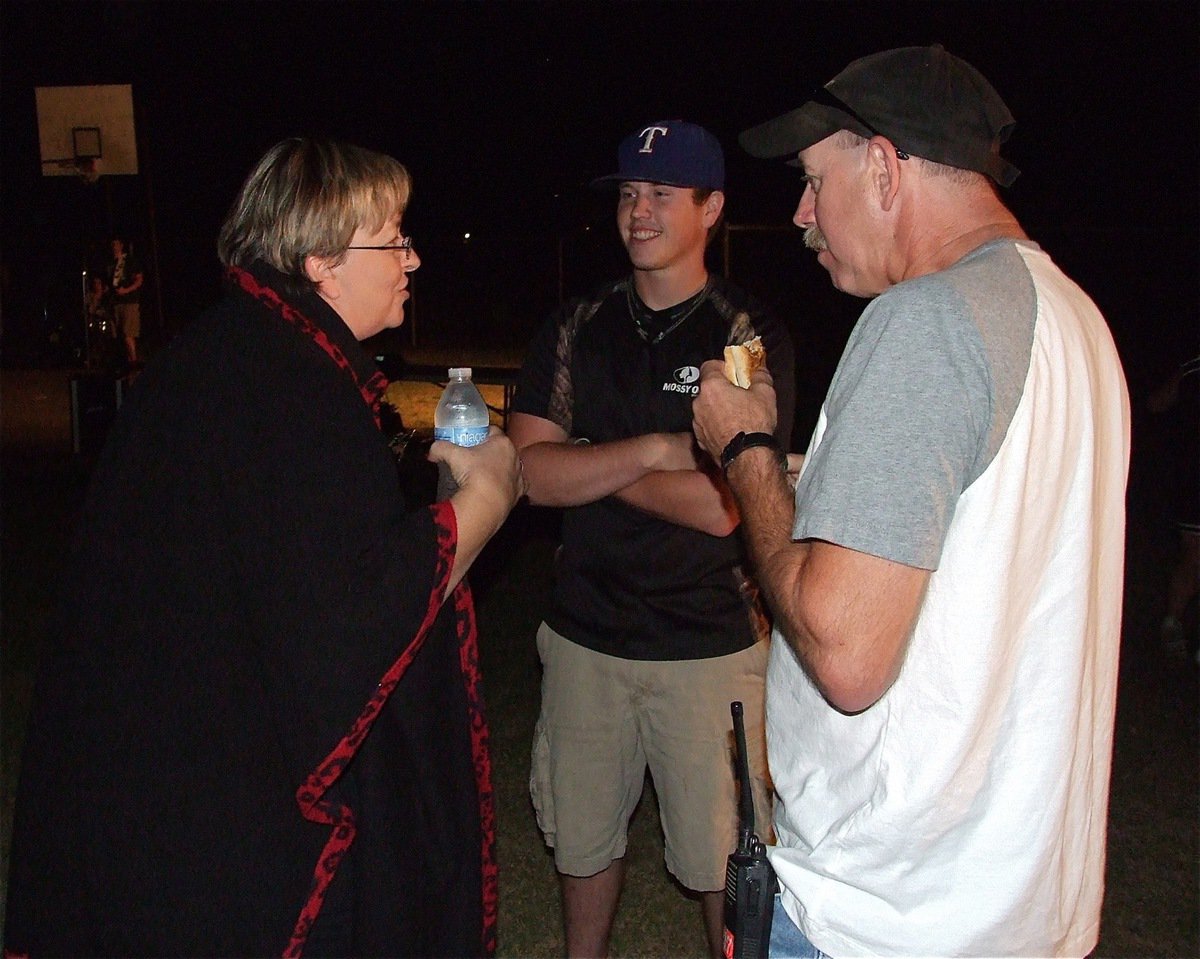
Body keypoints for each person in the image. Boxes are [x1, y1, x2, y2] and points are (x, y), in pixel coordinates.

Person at [4, 138, 525, 957]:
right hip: (221, 799)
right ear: (321, 260)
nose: (414, 258)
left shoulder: (234, 353)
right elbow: (345, 618)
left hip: (164, 769)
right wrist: (485, 503)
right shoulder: (289, 385)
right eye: (394, 239)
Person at [691, 46, 1130, 958]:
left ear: (884, 167)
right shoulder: (1075, 320)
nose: (803, 214)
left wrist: (747, 450)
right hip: (1019, 905)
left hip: (881, 914)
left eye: (815, 180)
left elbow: (847, 653)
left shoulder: (924, 321)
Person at [508, 119, 796, 958]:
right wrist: (656, 450)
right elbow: (529, 475)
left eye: (662, 194)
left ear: (711, 207)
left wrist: (584, 459)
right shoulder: (577, 323)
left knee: (722, 863)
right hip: (583, 635)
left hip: (706, 646)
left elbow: (724, 508)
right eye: (630, 193)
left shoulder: (745, 334)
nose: (639, 211)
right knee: (584, 841)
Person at [1147, 353, 1199, 661]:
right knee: (1194, 556)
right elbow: (1156, 403)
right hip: (1194, 481)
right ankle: (1172, 622)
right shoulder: (1192, 368)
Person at [108, 235, 144, 365]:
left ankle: (134, 362)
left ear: (121, 245)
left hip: (129, 301)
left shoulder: (129, 260)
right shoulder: (111, 264)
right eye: (112, 244)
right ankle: (127, 362)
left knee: (128, 333)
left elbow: (139, 279)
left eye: (116, 244)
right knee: (120, 335)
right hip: (116, 302)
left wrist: (126, 290)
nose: (114, 247)